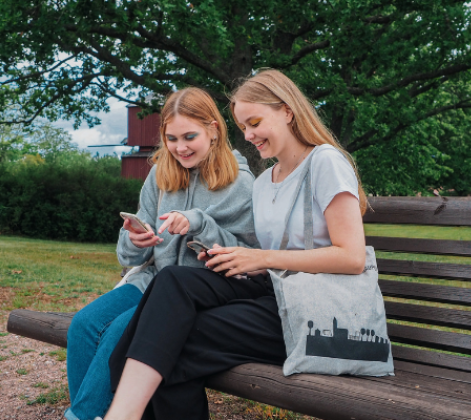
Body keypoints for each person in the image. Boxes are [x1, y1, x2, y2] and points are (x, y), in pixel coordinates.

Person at [103, 69, 369, 420]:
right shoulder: (267, 181)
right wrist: (227, 254)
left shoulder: (326, 162)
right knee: (172, 286)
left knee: (170, 345)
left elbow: (352, 258)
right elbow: (257, 257)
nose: (248, 135)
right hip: (273, 293)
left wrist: (259, 257)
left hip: (316, 312)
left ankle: (120, 416)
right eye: (243, 127)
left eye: (255, 122)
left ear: (287, 111)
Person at [64, 87, 258, 420]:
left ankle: (84, 416)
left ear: (213, 129)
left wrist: (200, 225)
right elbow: (131, 258)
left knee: (119, 331)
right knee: (82, 325)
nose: (180, 147)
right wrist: (135, 241)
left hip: (199, 294)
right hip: (153, 281)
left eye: (189, 136)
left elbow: (248, 255)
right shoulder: (160, 174)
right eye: (171, 138)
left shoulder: (240, 183)